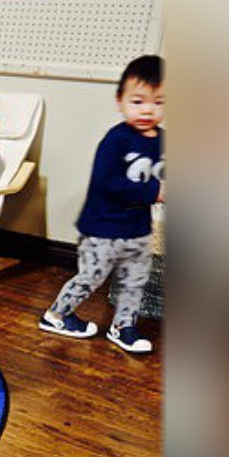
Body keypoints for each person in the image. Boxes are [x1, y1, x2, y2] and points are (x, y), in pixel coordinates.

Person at [37, 55, 165, 354]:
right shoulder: (116, 140)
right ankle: (56, 315)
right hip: (103, 230)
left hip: (138, 230)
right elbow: (107, 183)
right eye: (138, 101)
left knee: (134, 282)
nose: (148, 109)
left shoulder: (163, 141)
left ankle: (123, 327)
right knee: (91, 277)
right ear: (120, 101)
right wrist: (155, 190)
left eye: (159, 102)